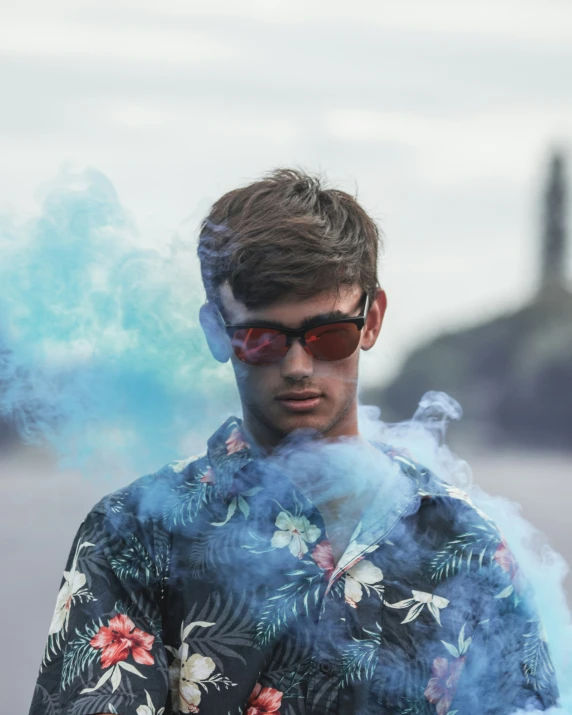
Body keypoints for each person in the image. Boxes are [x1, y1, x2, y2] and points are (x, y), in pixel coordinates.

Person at [29, 169, 559, 715]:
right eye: (262, 339)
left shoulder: (464, 541)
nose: (299, 367)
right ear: (216, 332)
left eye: (329, 334)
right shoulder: (135, 534)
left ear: (371, 320)